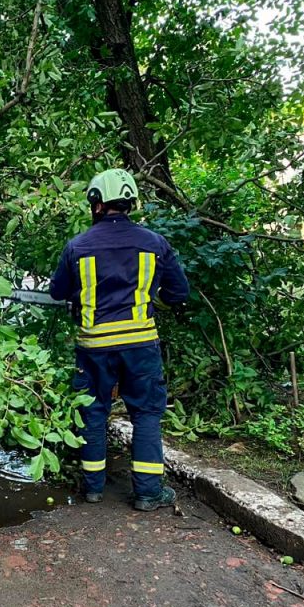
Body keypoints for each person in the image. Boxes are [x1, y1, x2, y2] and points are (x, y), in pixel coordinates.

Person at [49, 168, 189, 510]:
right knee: (145, 413)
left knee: (94, 411)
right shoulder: (154, 243)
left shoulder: (77, 246)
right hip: (141, 345)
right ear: (130, 202)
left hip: (94, 345)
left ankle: (93, 488)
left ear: (96, 204)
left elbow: (57, 293)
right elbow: (179, 292)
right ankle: (147, 493)